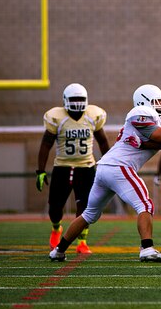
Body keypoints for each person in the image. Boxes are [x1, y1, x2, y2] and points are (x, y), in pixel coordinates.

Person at [49, 84, 161, 262]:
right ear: (144, 101)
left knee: (89, 214)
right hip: (119, 167)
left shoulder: (155, 121)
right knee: (145, 205)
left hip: (105, 168)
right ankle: (147, 248)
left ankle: (58, 250)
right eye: (157, 101)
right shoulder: (139, 112)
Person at [36, 83, 110, 254]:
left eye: (80, 99)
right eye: (74, 99)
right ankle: (56, 229)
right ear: (65, 100)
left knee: (85, 207)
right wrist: (40, 170)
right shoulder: (57, 117)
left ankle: (82, 242)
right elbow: (46, 144)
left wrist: (107, 163)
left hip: (86, 167)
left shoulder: (92, 116)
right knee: (55, 207)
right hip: (62, 166)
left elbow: (103, 142)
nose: (77, 103)